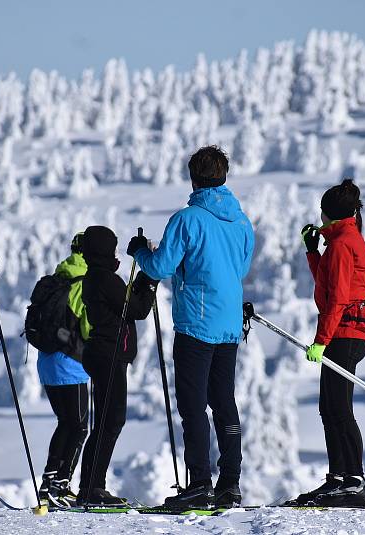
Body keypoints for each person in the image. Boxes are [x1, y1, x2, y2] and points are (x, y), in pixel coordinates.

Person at [127, 145, 254, 509]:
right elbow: (240, 269)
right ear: (224, 176)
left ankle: (199, 483)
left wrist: (139, 251)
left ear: (193, 178)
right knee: (224, 403)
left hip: (196, 324)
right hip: (229, 324)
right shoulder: (241, 222)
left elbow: (160, 267)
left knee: (194, 406)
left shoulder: (188, 219)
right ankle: (230, 483)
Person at [286, 179, 365, 508]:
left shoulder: (340, 244)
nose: (319, 219)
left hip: (343, 334)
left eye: (322, 215)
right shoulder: (344, 240)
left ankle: (350, 480)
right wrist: (312, 251)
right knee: (331, 408)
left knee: (338, 409)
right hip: (347, 333)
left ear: (330, 216)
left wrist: (321, 341)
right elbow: (328, 282)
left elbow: (335, 299)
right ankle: (341, 478)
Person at [77, 225, 156, 506]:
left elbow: (126, 304)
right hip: (109, 356)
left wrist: (144, 280)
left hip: (104, 354)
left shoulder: (97, 277)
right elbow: (137, 310)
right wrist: (149, 280)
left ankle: (91, 487)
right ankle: (92, 488)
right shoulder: (105, 278)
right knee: (110, 422)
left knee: (107, 423)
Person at [37, 233, 91, 508]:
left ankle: (49, 483)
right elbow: (87, 327)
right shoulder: (83, 282)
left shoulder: (60, 277)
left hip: (47, 362)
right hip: (71, 364)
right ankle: (61, 486)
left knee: (66, 423)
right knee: (79, 427)